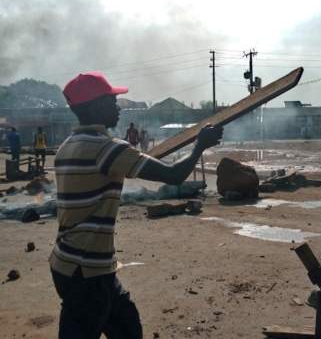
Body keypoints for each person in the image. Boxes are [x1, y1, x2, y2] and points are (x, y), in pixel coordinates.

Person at [51, 71, 222, 338]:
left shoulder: (67, 146)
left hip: (71, 262)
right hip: (86, 270)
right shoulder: (107, 148)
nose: (118, 107)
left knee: (128, 328)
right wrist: (200, 146)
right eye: (111, 100)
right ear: (95, 107)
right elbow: (174, 175)